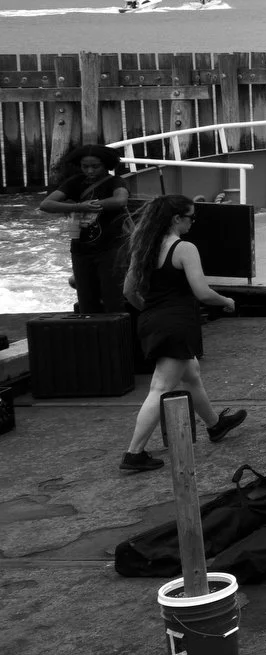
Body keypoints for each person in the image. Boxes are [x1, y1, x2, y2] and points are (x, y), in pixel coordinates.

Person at [118, 195, 244, 473]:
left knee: (191, 374)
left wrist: (152, 311)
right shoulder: (183, 248)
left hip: (151, 320)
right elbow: (202, 292)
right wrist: (226, 301)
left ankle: (214, 425)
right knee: (160, 388)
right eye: (191, 217)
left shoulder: (143, 246)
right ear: (177, 219)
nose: (193, 222)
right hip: (177, 324)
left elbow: (129, 291)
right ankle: (133, 453)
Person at [40, 145, 130, 313]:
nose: (90, 170)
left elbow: (120, 200)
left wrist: (86, 207)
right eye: (85, 166)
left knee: (113, 298)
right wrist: (81, 206)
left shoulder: (115, 182)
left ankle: (115, 336)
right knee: (86, 300)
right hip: (80, 250)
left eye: (95, 166)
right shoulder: (74, 182)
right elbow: (45, 204)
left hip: (110, 249)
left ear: (106, 165)